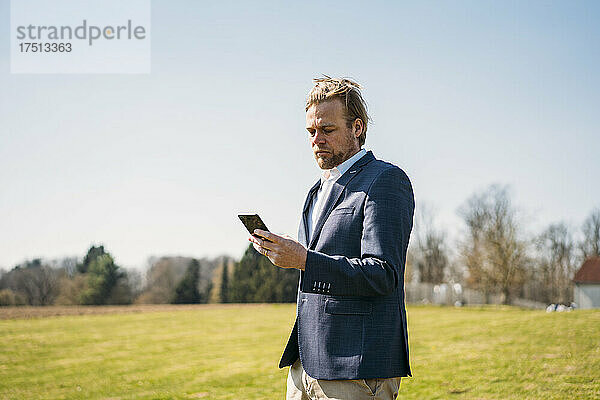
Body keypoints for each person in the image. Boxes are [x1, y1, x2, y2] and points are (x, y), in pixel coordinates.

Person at [249, 76, 414, 400]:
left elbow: (383, 274)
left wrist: (305, 260)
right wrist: (286, 253)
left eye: (327, 130)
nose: (317, 139)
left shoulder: (385, 180)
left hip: (357, 365)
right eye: (311, 132)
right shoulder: (316, 190)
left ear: (357, 127)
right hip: (304, 365)